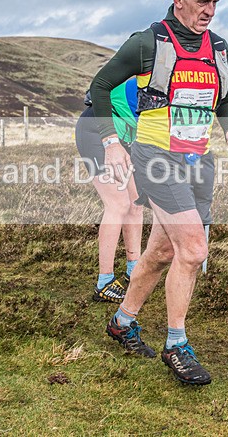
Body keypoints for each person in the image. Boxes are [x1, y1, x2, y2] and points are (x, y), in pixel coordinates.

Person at [89, 0, 228, 385]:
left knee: (161, 252)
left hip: (198, 162)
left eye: (215, 2)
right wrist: (109, 142)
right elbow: (99, 87)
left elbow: (227, 99)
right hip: (156, 159)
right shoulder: (147, 43)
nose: (210, 10)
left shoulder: (219, 47)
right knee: (194, 250)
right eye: (202, 1)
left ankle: (123, 321)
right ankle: (176, 344)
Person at [75, 77, 143, 303]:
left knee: (135, 203)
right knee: (118, 204)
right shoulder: (159, 79)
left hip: (124, 137)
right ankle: (104, 283)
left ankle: (134, 270)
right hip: (97, 130)